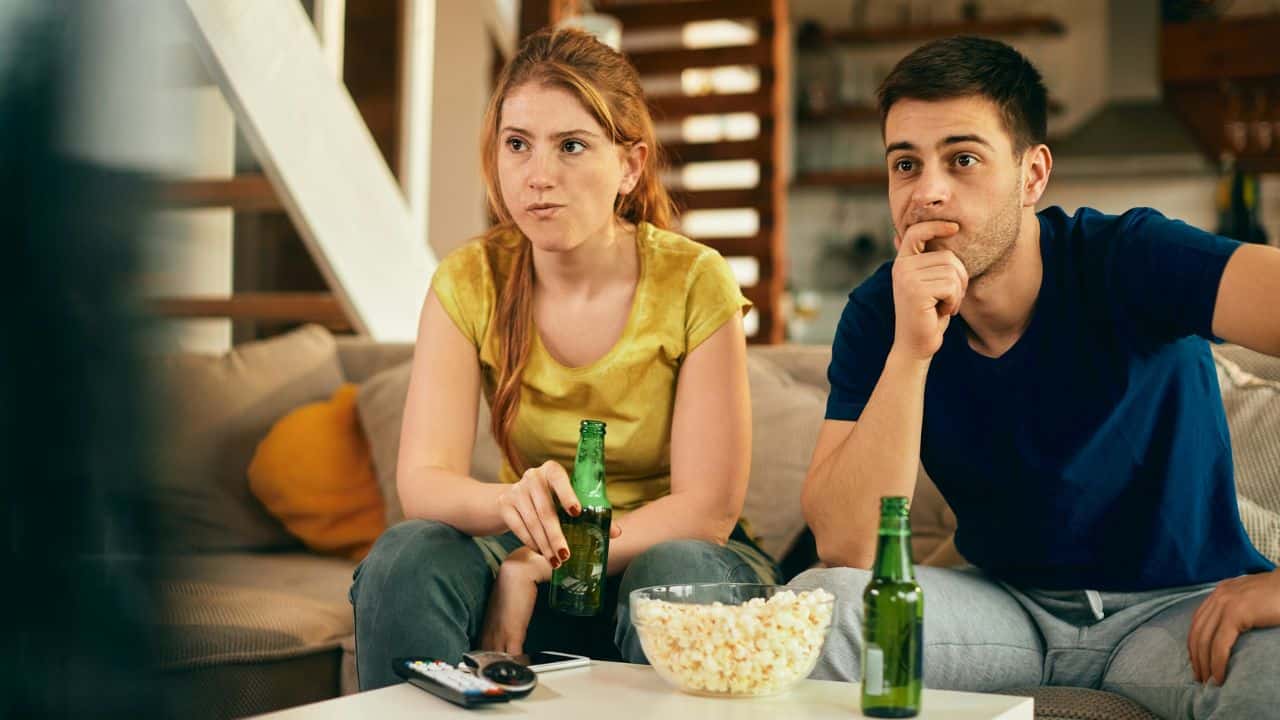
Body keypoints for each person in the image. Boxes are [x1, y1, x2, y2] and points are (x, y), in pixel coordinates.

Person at [788, 36, 1280, 718]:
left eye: (962, 159)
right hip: (1002, 608)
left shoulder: (1131, 257)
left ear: (1033, 174)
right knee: (813, 615)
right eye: (906, 164)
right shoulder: (880, 312)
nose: (928, 191)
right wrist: (911, 351)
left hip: (1180, 609)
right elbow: (850, 547)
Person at [349, 27, 778, 690]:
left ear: (630, 165)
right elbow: (424, 482)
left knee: (676, 575)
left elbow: (706, 510)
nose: (537, 176)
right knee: (408, 556)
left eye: (571, 146)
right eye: (516, 144)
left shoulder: (696, 280)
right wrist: (509, 507)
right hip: (530, 547)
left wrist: (536, 562)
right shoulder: (468, 280)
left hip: (664, 558)